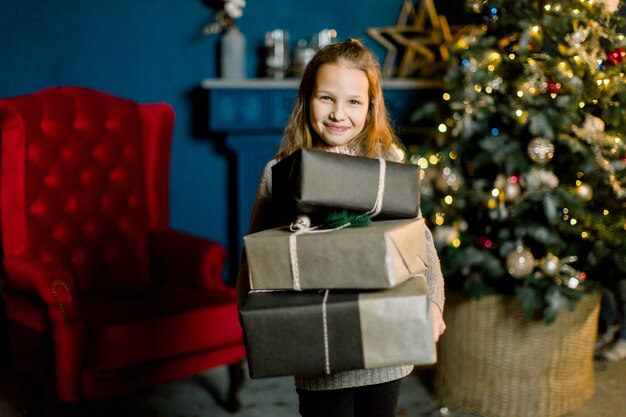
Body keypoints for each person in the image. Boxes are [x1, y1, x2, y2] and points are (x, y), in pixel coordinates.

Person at [237, 38, 446, 417]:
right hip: (319, 353)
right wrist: (259, 324)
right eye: (326, 98)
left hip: (387, 345)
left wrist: (432, 302)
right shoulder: (280, 174)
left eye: (353, 101)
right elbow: (253, 263)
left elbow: (422, 244)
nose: (338, 113)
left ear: (370, 107)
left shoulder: (388, 168)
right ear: (307, 100)